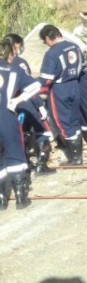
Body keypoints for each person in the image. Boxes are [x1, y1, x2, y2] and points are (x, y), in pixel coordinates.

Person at [4, 33, 55, 175]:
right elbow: (30, 87)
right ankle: (41, 166)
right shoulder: (19, 63)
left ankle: (24, 163)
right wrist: (39, 105)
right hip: (23, 103)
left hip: (7, 107)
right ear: (16, 46)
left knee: (21, 134)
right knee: (44, 132)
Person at [0, 38, 42, 209]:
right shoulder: (15, 69)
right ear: (11, 54)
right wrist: (18, 99)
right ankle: (20, 199)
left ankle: (2, 200)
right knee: (15, 155)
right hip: (7, 115)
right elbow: (37, 85)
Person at [38, 25, 84, 166]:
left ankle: (75, 158)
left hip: (60, 89)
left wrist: (35, 88)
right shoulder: (75, 47)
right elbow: (83, 66)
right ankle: (78, 155)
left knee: (63, 122)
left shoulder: (52, 53)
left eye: (44, 41)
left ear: (47, 38)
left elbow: (47, 79)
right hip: (75, 86)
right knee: (75, 120)